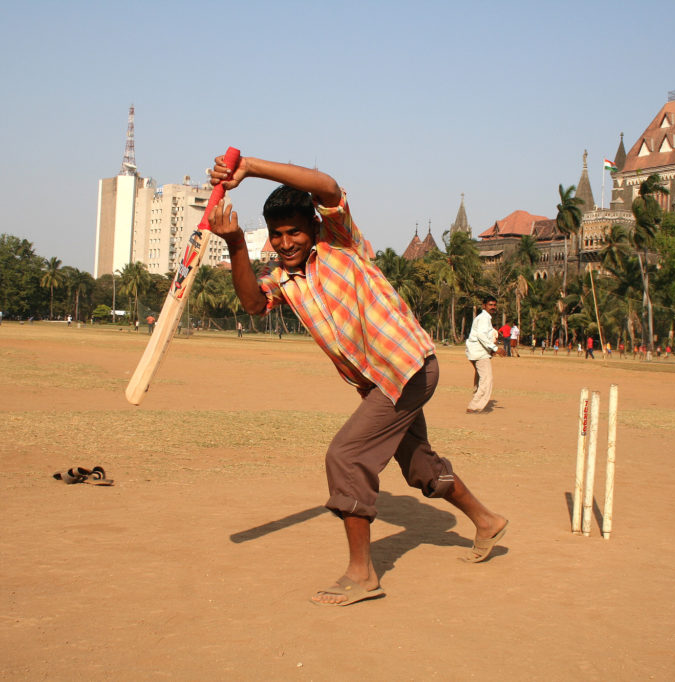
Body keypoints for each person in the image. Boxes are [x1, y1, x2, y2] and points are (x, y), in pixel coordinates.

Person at [206, 153, 508, 607]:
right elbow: (252, 304)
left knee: (345, 457)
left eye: (295, 232)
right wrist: (235, 246)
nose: (286, 243)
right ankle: (486, 520)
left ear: (313, 228)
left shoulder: (339, 243)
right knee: (417, 463)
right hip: (380, 384)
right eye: (278, 235)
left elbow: (326, 185)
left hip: (407, 369)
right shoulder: (285, 280)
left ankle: (362, 574)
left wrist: (249, 166)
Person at [465, 296, 498, 413]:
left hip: (476, 352)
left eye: (494, 305)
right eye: (490, 305)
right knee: (487, 379)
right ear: (484, 306)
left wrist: (491, 349)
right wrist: (495, 348)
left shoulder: (484, 318)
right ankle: (474, 406)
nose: (493, 307)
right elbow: (481, 335)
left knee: (480, 378)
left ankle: (475, 400)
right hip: (479, 353)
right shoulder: (484, 318)